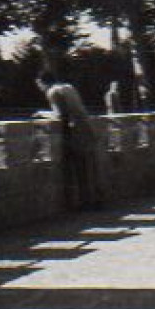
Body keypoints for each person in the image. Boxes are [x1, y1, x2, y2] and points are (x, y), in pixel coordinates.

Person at [38, 71, 108, 211]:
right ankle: (98, 199)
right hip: (88, 128)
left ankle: (85, 203)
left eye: (39, 84)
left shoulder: (52, 92)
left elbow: (60, 115)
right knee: (91, 166)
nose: (40, 87)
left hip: (75, 132)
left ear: (44, 82)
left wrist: (42, 114)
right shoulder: (68, 87)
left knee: (80, 169)